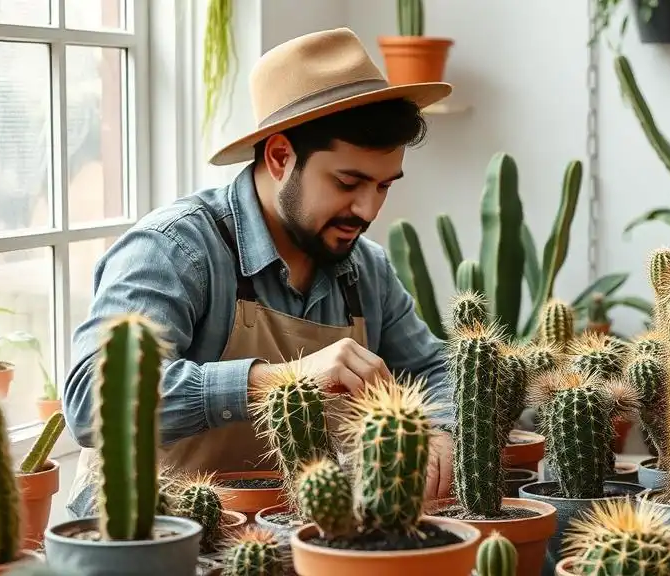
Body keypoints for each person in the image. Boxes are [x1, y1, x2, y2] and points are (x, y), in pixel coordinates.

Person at [63, 27, 457, 517]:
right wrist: (276, 381)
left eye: (383, 186)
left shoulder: (365, 268)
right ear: (279, 157)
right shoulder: (174, 249)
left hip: (294, 534)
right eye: (348, 181)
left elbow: (432, 367)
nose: (367, 209)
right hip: (155, 536)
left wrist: (441, 426)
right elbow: (88, 402)